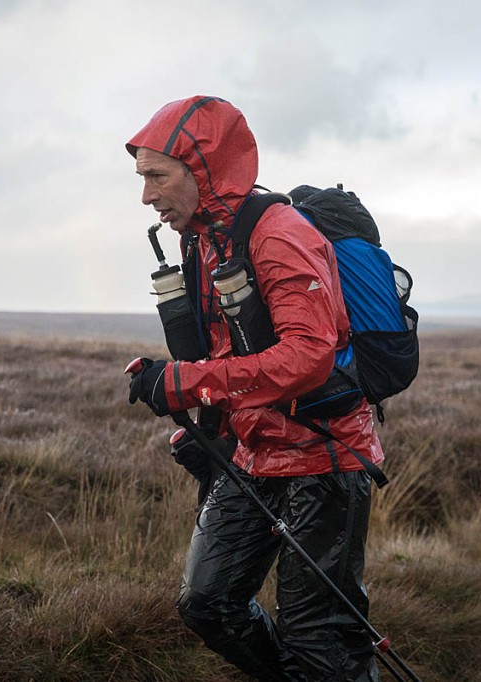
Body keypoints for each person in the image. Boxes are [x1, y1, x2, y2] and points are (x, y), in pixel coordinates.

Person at [125, 95, 384, 682]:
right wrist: (170, 378)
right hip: (252, 453)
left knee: (318, 633)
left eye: (157, 177)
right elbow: (232, 352)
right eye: (142, 179)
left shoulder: (278, 234)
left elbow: (308, 356)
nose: (146, 196)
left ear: (203, 167)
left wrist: (188, 383)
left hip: (325, 457)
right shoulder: (205, 240)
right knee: (208, 604)